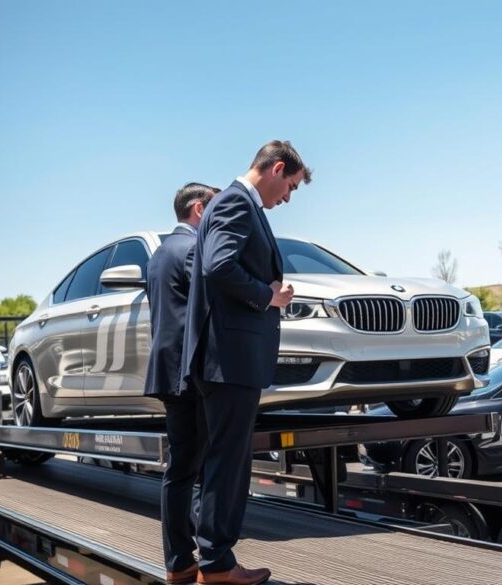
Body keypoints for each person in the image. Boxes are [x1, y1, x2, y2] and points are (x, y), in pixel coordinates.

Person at [182, 140, 311, 585]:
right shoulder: (237, 202)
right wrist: (268, 296)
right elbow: (218, 266)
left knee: (220, 457)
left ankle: (213, 559)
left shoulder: (231, 203)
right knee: (228, 460)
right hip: (230, 359)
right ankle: (218, 564)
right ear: (276, 168)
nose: (287, 198)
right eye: (290, 186)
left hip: (226, 358)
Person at [144, 182, 218, 585]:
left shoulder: (159, 253)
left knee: (181, 468)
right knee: (192, 468)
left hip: (170, 372)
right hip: (189, 374)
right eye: (215, 209)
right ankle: (191, 560)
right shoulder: (192, 248)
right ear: (197, 209)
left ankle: (179, 560)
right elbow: (210, 304)